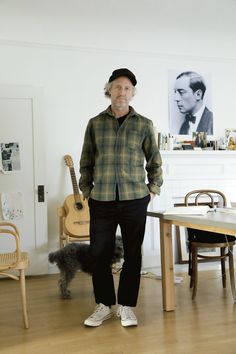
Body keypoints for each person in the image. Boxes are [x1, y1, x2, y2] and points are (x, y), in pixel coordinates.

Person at [79, 68, 163, 327]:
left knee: (133, 255)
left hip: (134, 199)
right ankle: (104, 305)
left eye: (127, 88)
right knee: (99, 254)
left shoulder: (144, 124)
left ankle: (126, 306)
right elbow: (86, 161)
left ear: (132, 93)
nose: (122, 92)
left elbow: (155, 161)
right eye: (117, 87)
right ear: (109, 90)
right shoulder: (95, 123)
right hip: (101, 199)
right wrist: (87, 190)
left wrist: (153, 188)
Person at [174, 71, 213, 135]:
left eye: (181, 92)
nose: (176, 99)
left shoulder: (212, 121)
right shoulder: (184, 126)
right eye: (175, 92)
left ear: (198, 94)